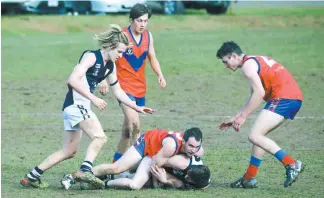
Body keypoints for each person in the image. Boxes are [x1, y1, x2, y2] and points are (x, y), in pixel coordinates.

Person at [20, 24, 154, 189]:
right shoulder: (91, 56)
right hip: (76, 105)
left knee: (69, 151)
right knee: (100, 137)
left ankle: (32, 176)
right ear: (110, 46)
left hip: (76, 107)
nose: (121, 56)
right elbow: (72, 80)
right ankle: (85, 170)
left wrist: (136, 107)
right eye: (119, 52)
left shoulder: (110, 66)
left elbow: (118, 91)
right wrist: (94, 98)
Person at [216, 41, 305, 188]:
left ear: (233, 55)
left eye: (226, 61)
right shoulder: (252, 61)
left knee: (254, 136)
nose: (226, 65)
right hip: (291, 98)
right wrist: (238, 116)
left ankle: (292, 163)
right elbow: (254, 95)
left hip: (284, 98)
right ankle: (249, 178)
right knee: (259, 137)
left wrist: (244, 117)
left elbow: (259, 93)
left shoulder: (247, 67)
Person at [98, 3, 166, 163]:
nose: (142, 24)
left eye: (145, 21)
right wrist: (103, 79)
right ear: (131, 20)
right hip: (122, 88)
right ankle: (138, 163)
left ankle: (116, 163)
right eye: (139, 21)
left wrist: (160, 74)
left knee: (127, 131)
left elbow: (152, 56)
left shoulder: (148, 36)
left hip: (140, 89)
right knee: (135, 124)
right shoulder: (122, 36)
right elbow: (104, 56)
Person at [62, 127, 203, 189]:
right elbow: (155, 164)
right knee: (117, 168)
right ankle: (73, 176)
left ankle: (103, 180)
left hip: (155, 153)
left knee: (131, 177)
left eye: (196, 147)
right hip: (147, 144)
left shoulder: (197, 150)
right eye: (190, 146)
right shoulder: (171, 146)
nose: (193, 150)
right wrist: (159, 184)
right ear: (183, 141)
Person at [89, 154, 211, 190]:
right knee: (136, 181)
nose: (186, 176)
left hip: (159, 165)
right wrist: (159, 183)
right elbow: (157, 163)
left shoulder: (203, 182)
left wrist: (166, 181)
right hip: (152, 157)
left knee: (141, 180)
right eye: (187, 173)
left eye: (189, 177)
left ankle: (106, 179)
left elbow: (182, 184)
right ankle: (96, 176)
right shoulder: (180, 162)